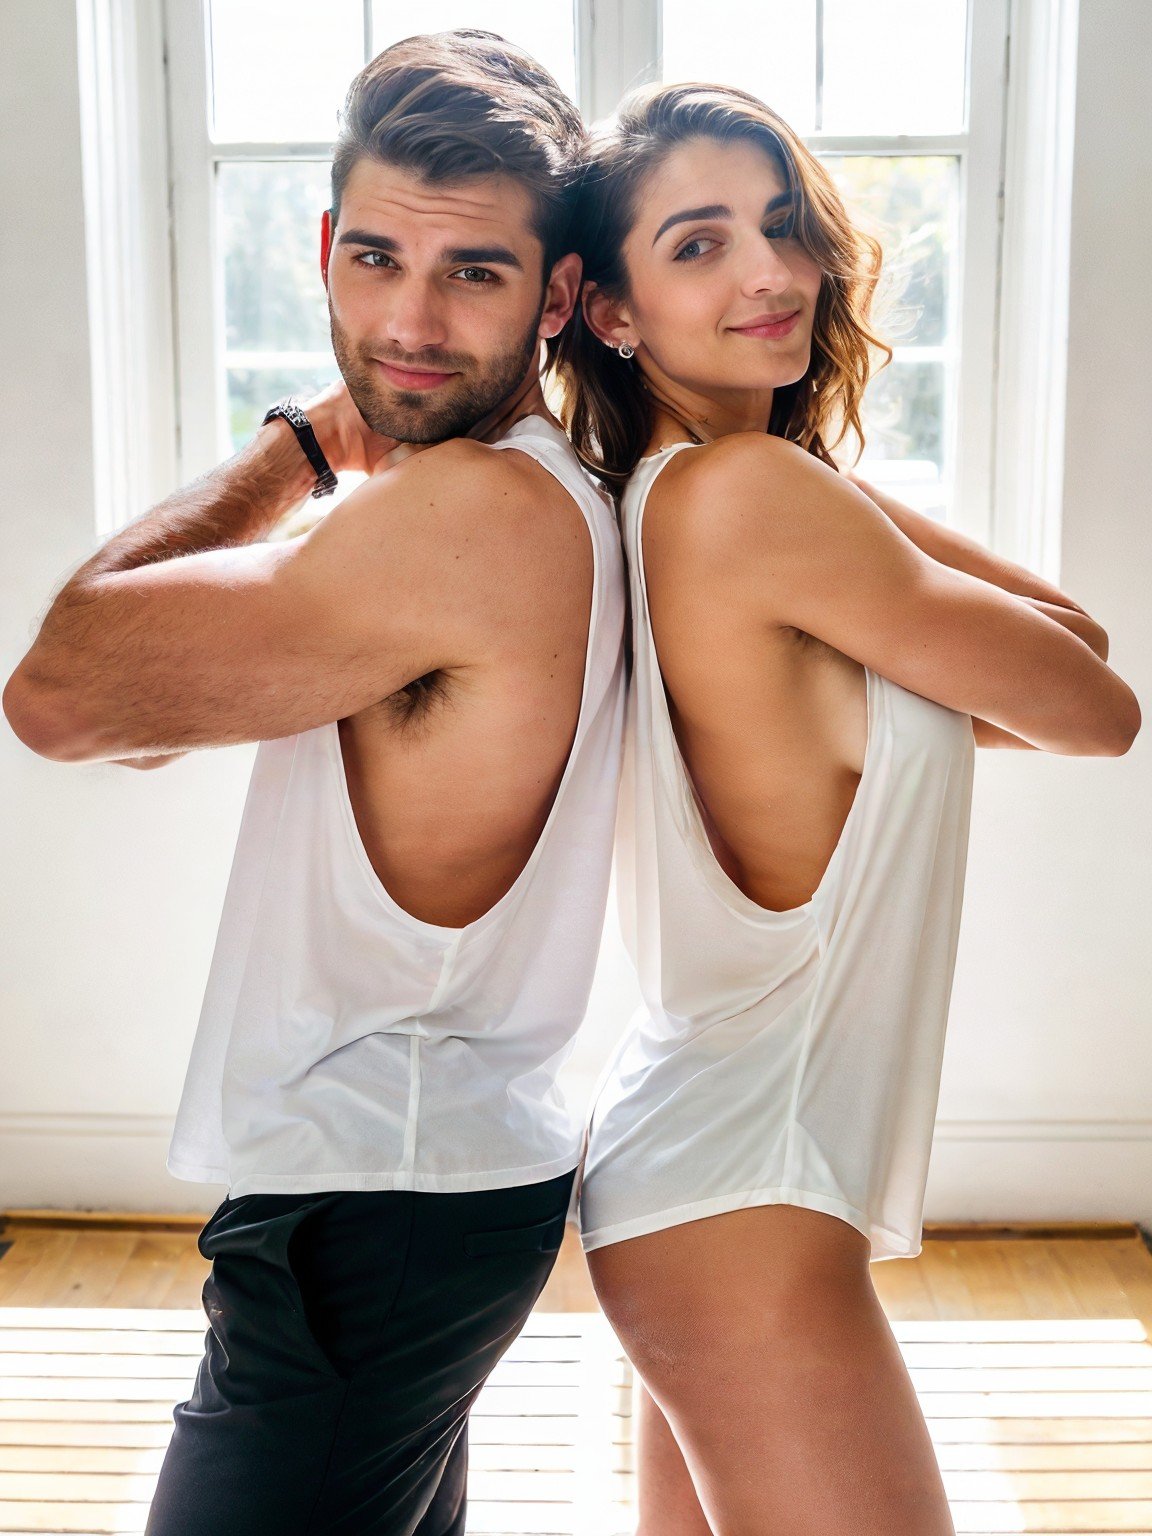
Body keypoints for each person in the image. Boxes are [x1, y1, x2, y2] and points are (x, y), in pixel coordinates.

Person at [3, 31, 626, 1536]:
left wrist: (300, 443)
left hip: (377, 1196)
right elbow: (149, 715)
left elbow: (59, 692)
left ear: (554, 297)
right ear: (325, 247)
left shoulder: (464, 513)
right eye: (379, 258)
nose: (409, 319)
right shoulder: (497, 500)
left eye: (473, 272)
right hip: (415, 1182)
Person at [554, 82, 1141, 1536]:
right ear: (612, 313)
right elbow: (1096, 706)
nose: (772, 273)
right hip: (741, 1201)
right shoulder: (753, 500)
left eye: (781, 225)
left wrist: (803, 456)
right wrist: (803, 464)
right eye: (697, 245)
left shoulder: (679, 496)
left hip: (705, 1180)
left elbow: (1058, 647)